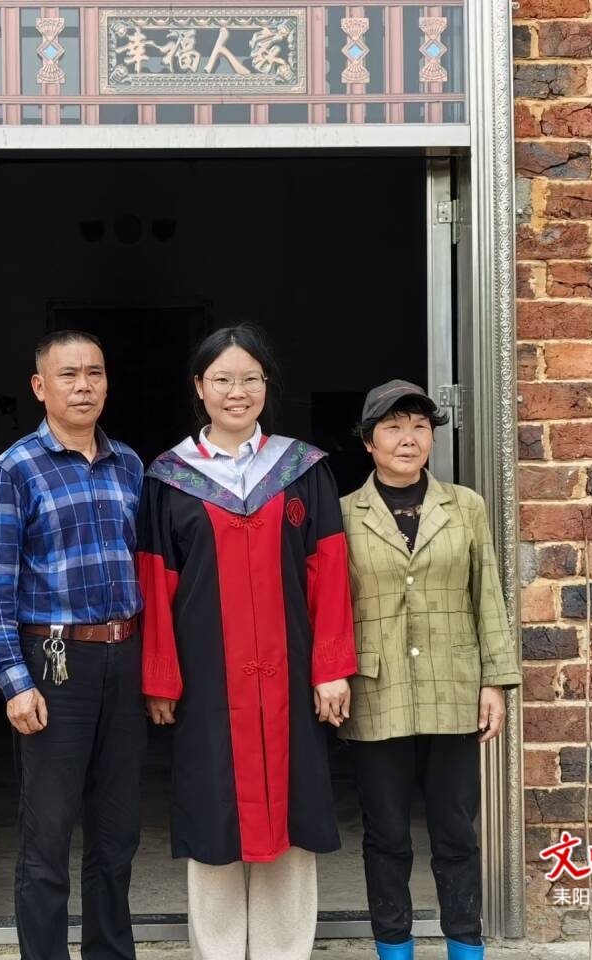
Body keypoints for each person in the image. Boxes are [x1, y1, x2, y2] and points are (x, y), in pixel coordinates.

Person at [136, 324, 356, 960]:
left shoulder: (302, 469)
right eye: (223, 379)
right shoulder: (169, 477)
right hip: (209, 682)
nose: (237, 392)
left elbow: (328, 572)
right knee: (214, 816)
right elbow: (155, 579)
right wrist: (161, 678)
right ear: (199, 387)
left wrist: (330, 669)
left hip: (288, 677)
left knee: (291, 814)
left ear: (266, 385)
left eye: (250, 379)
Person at [339, 380, 523, 960]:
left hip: (454, 686)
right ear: (368, 442)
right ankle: (394, 948)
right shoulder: (344, 514)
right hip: (377, 690)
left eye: (420, 426)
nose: (408, 438)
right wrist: (330, 675)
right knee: (386, 833)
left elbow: (487, 595)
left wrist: (495, 680)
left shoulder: (465, 506)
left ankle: (465, 946)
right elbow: (331, 607)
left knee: (455, 830)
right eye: (393, 427)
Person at [0, 330, 146, 960]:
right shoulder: (13, 471)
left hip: (123, 656)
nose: (83, 386)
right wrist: (15, 682)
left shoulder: (129, 464)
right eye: (68, 375)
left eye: (94, 373)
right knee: (47, 836)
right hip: (55, 663)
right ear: (39, 387)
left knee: (117, 832)